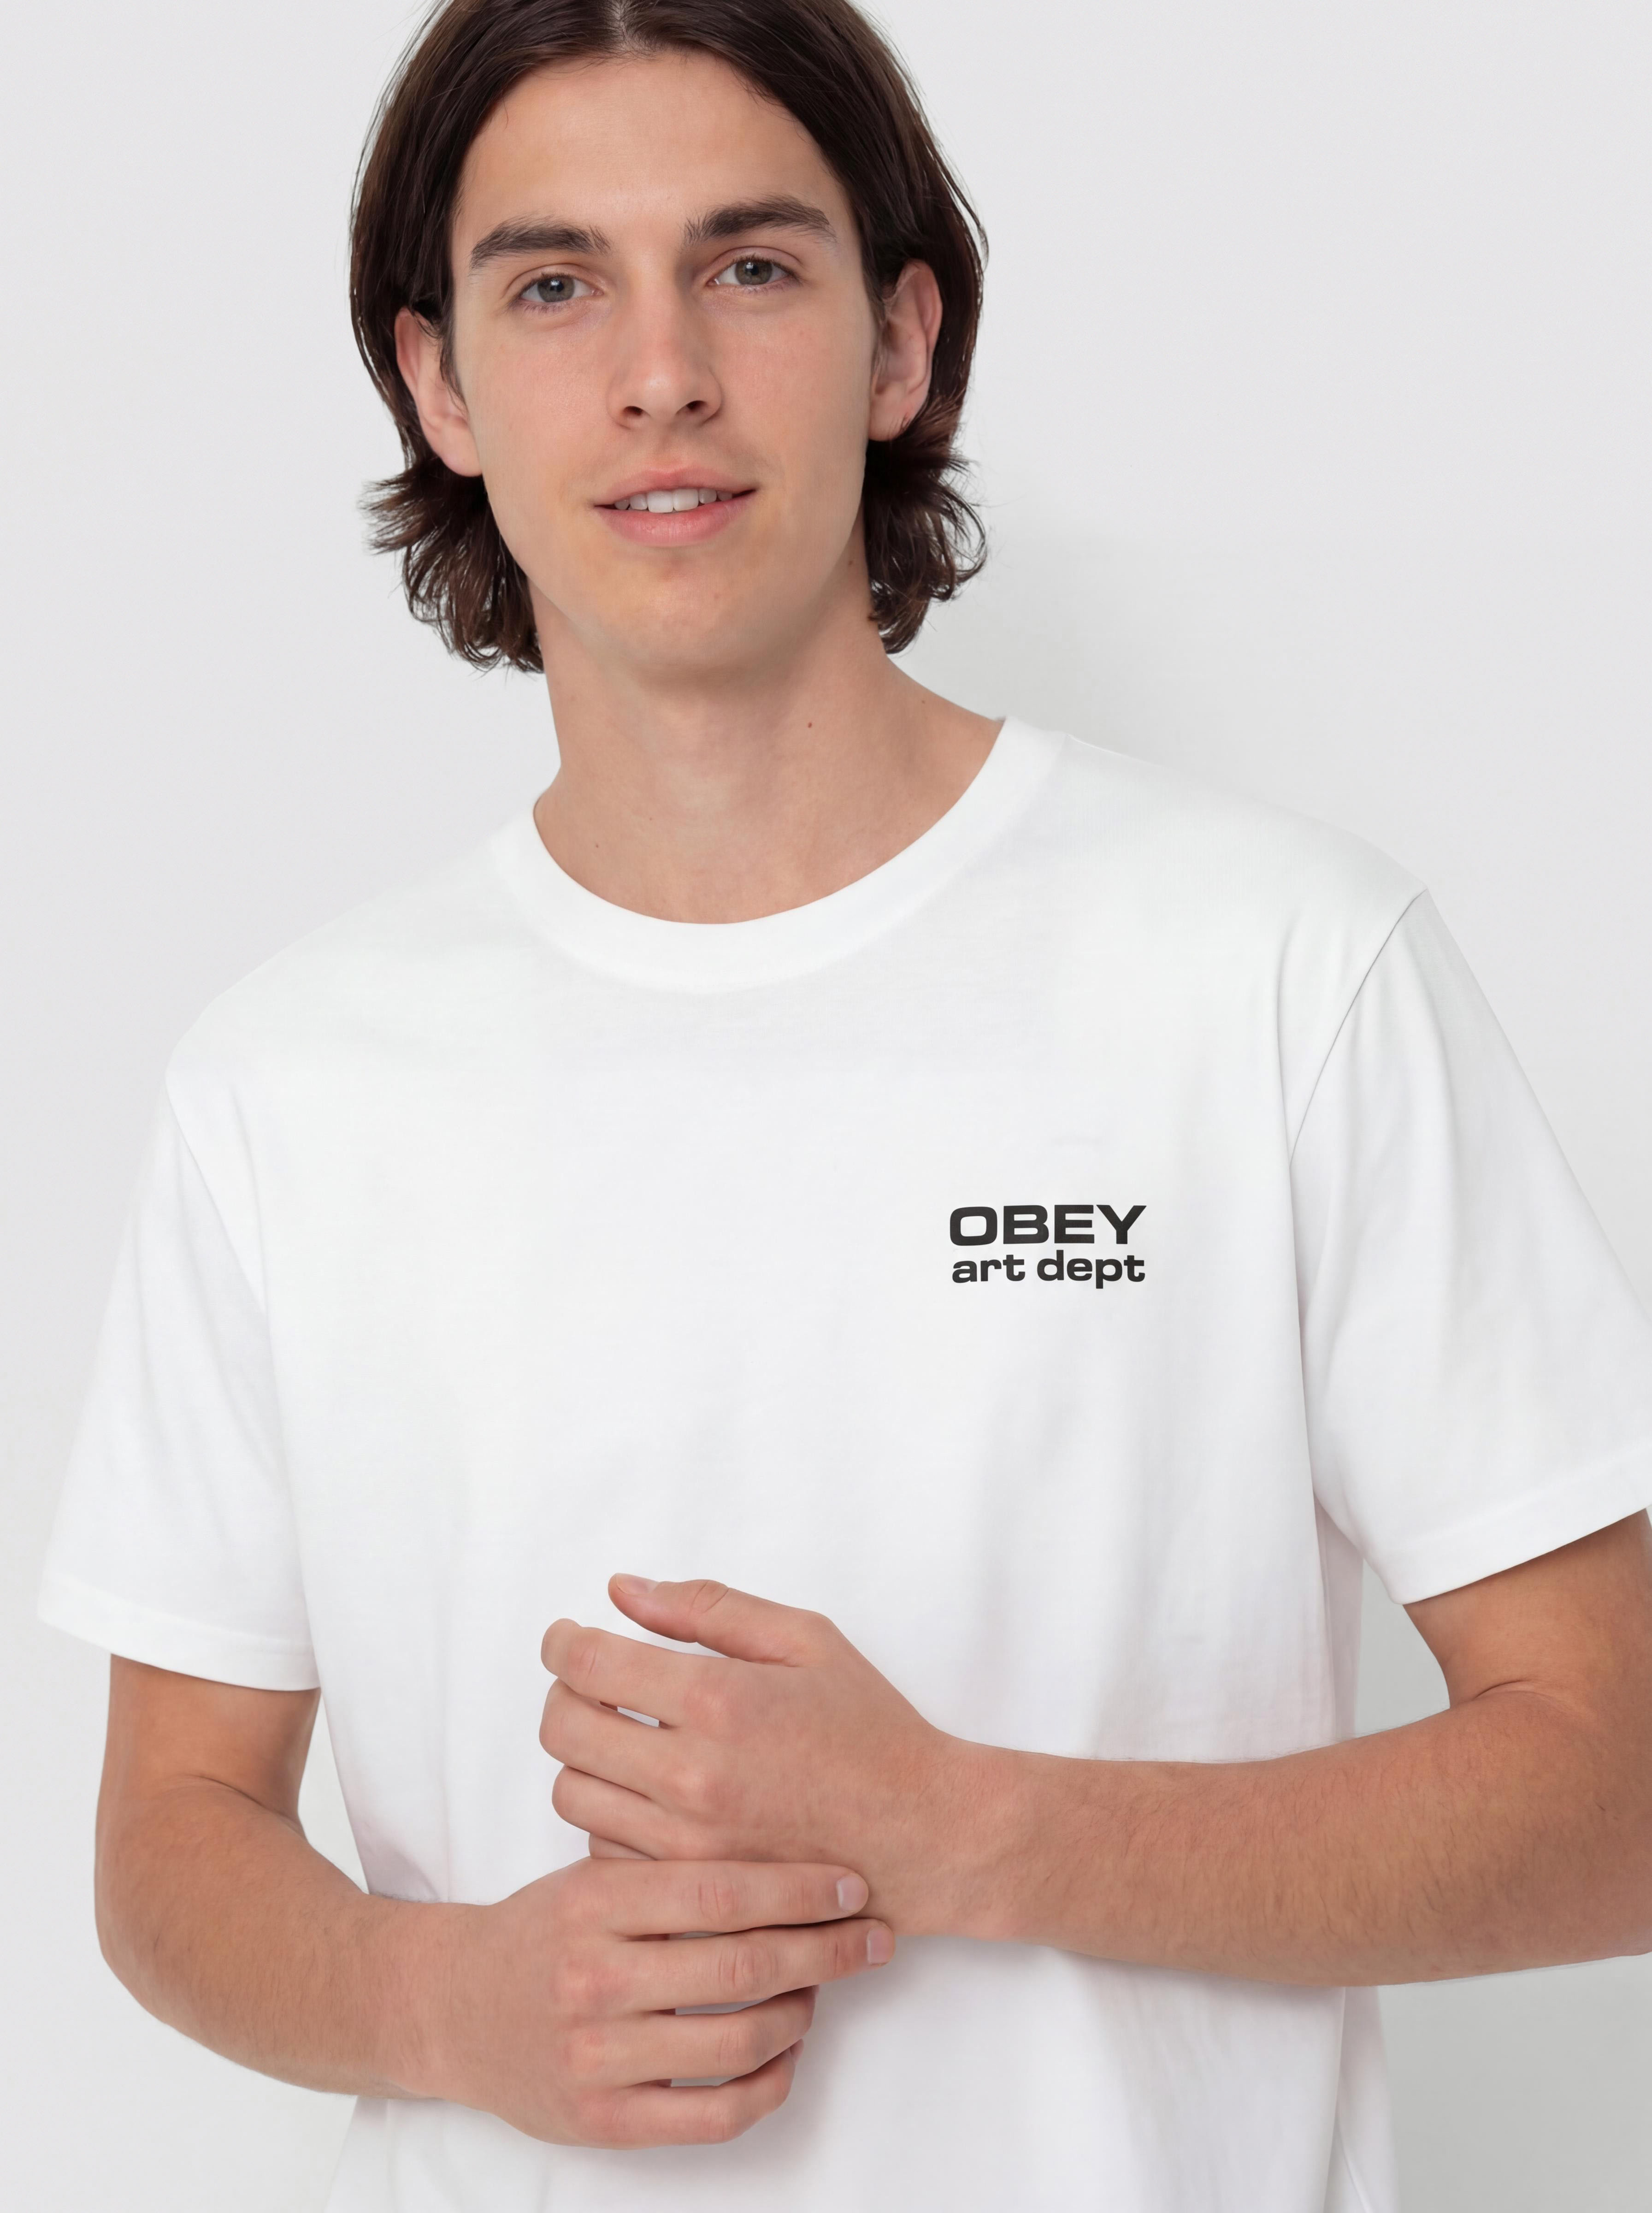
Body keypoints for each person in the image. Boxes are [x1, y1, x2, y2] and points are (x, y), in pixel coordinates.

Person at [40, 0, 1652, 2207]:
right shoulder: (291, 1083)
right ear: (439, 385)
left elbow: (1617, 1784)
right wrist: (440, 2006)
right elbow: (168, 1837)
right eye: (553, 284)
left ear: (900, 342)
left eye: (748, 266)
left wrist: (962, 1828)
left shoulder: (1275, 969)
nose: (660, 374)